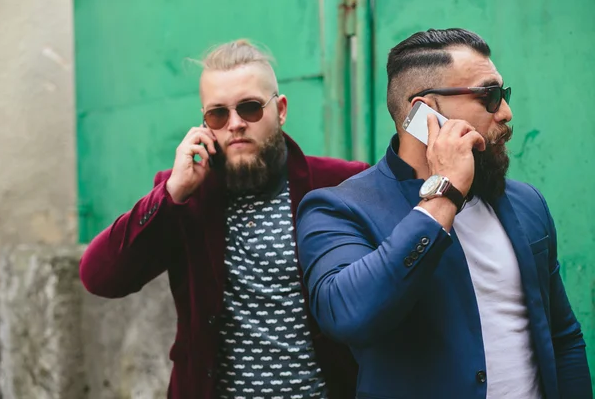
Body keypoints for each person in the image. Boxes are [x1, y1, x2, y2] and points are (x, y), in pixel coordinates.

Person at [296, 28, 592, 399]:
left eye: (504, 94)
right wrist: (444, 194)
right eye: (490, 96)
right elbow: (347, 316)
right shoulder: (338, 209)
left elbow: (562, 336)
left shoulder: (526, 202)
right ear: (426, 112)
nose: (506, 113)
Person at [79, 39, 368, 399]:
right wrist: (171, 193)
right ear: (205, 123)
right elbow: (100, 277)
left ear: (280, 110)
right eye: (218, 114)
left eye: (249, 108)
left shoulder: (339, 183)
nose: (234, 124)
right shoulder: (184, 199)